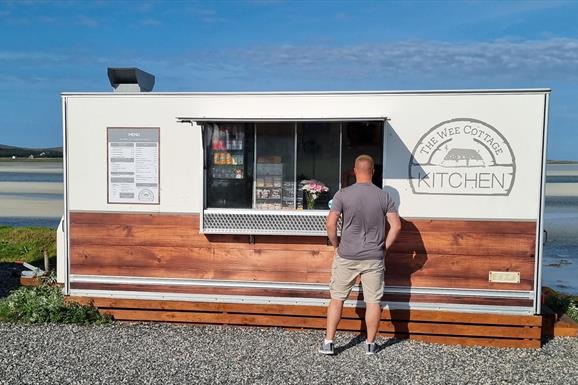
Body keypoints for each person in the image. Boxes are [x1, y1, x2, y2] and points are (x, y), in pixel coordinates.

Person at [319, 154, 401, 355]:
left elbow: (330, 223)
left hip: (347, 255)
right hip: (374, 256)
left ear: (355, 171)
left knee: (337, 298)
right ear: (373, 172)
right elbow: (396, 226)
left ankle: (329, 342)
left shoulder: (342, 194)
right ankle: (371, 345)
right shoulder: (384, 196)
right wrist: (384, 248)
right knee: (373, 301)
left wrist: (336, 243)